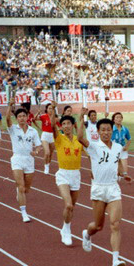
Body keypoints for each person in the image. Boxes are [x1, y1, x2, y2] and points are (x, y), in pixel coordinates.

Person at [77, 109, 131, 266]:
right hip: (99, 189)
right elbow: (80, 138)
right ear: (98, 132)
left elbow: (118, 163)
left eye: (108, 129)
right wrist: (81, 118)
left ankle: (115, 259)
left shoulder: (118, 147)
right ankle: (87, 234)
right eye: (103, 130)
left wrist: (124, 173)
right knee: (98, 226)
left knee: (115, 224)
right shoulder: (94, 146)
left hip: (113, 188)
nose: (106, 132)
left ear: (112, 131)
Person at [50, 105, 83, 245]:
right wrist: (52, 110)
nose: (66, 126)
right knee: (68, 205)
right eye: (63, 124)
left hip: (76, 174)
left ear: (72, 125)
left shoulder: (78, 140)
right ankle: (67, 231)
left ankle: (64, 227)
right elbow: (52, 127)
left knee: (72, 207)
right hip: (63, 174)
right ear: (61, 126)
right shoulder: (59, 139)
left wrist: (81, 117)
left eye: (68, 123)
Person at [6, 101, 42, 222]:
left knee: (26, 188)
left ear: (27, 117)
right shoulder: (13, 129)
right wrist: (9, 106)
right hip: (17, 159)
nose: (22, 118)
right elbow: (7, 119)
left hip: (29, 160)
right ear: (16, 118)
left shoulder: (33, 131)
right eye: (19, 116)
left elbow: (38, 146)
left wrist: (36, 152)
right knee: (21, 187)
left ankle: (19, 192)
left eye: (24, 116)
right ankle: (24, 213)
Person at [110, 112, 131, 179]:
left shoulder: (125, 129)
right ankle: (118, 174)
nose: (119, 119)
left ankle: (125, 175)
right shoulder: (111, 129)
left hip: (122, 148)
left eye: (120, 117)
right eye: (117, 117)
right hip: (113, 149)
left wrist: (126, 146)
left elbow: (129, 139)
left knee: (124, 161)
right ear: (114, 119)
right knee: (116, 163)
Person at [38, 102, 56, 174]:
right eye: (49, 108)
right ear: (47, 109)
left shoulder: (55, 117)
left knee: (51, 153)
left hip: (52, 136)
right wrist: (38, 113)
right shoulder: (43, 116)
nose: (50, 110)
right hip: (45, 135)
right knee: (47, 152)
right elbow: (34, 119)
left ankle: (48, 164)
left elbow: (59, 126)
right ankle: (46, 166)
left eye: (52, 108)